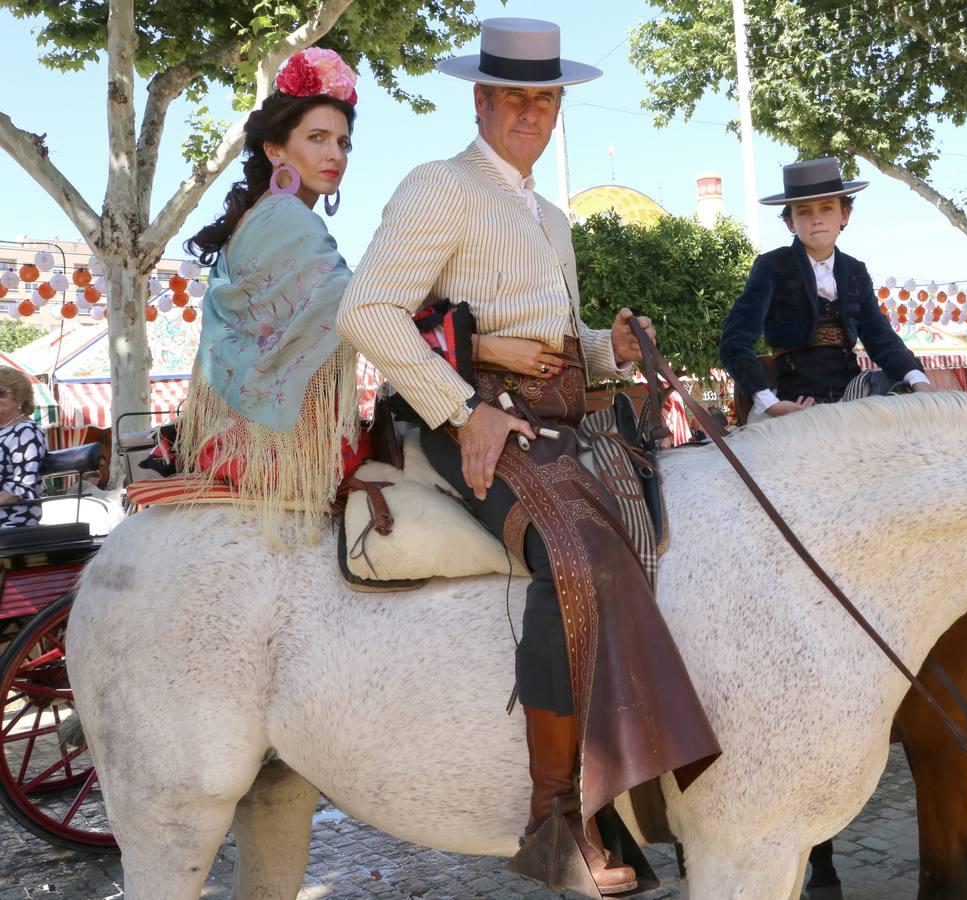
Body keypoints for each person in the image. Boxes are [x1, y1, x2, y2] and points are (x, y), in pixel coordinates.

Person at [337, 18, 719, 896]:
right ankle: (556, 817)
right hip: (463, 421)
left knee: (663, 521)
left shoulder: (550, 215)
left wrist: (612, 346)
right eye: (513, 97)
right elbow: (366, 312)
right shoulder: (439, 186)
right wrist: (462, 408)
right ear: (480, 99)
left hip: (554, 419)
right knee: (575, 555)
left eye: (544, 99)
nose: (530, 113)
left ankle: (629, 776)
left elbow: (564, 345)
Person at [179, 48, 361, 545]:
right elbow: (356, 307)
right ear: (275, 150)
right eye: (317, 138)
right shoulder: (287, 218)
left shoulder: (263, 214)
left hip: (236, 437)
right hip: (284, 448)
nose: (335, 155)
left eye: (343, 142)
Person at [720, 157, 931, 423]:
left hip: (853, 394)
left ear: (844, 215)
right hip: (794, 400)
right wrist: (768, 402)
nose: (816, 219)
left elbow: (879, 335)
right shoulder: (773, 266)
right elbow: (735, 339)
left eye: (826, 209)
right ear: (790, 222)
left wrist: (917, 380)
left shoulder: (855, 270)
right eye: (804, 211)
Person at [0, 368, 46, 528]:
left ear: (20, 397)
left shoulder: (27, 431)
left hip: (12, 519)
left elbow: (22, 486)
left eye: (1, 392)